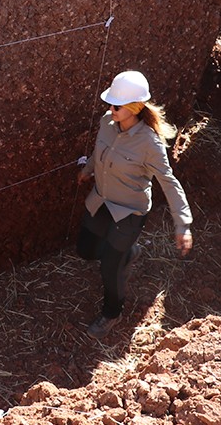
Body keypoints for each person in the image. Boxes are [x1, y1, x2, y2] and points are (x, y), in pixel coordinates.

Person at [76, 71, 193, 338]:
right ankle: (128, 252)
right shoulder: (107, 122)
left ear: (135, 107)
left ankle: (111, 313)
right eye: (111, 103)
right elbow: (99, 149)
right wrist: (89, 169)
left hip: (128, 212)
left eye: (117, 105)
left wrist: (183, 224)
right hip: (101, 201)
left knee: (110, 266)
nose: (111, 109)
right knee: (85, 250)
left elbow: (168, 181)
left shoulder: (150, 144)